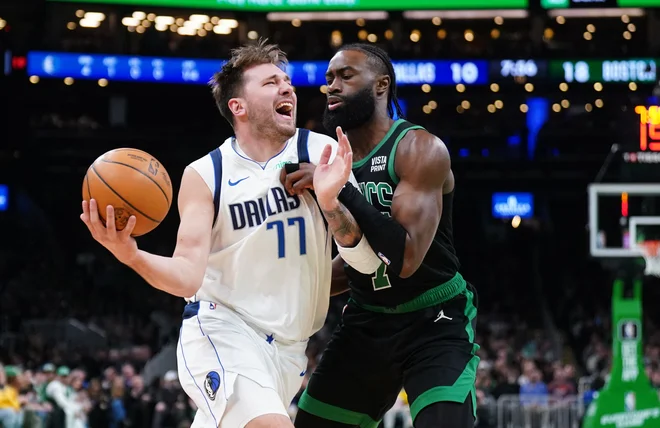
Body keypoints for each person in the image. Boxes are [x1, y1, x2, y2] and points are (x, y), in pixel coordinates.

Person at [80, 40, 380, 428]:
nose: (287, 88)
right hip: (222, 331)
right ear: (238, 106)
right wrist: (131, 255)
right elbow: (188, 275)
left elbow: (367, 263)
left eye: (287, 81)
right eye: (271, 83)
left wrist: (331, 203)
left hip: (291, 350)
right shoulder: (206, 174)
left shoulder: (323, 152)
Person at [283, 43, 480, 428]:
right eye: (328, 79)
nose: (332, 87)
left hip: (433, 318)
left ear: (381, 85)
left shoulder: (418, 148)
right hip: (367, 320)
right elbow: (355, 263)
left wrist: (341, 190)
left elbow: (404, 259)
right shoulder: (329, 157)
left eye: (345, 76)